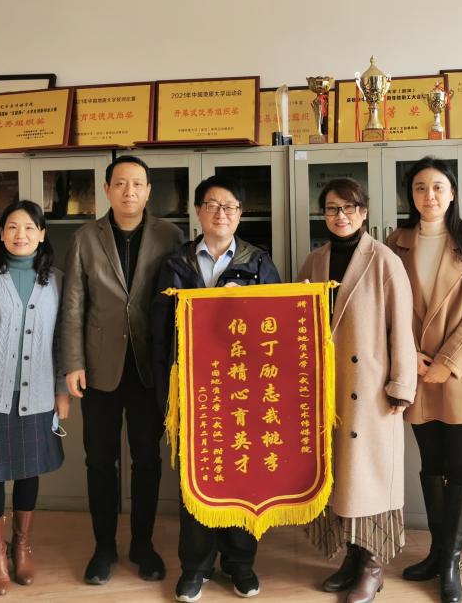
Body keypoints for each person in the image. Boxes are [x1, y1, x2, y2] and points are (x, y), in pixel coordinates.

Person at [150, 175, 282, 603]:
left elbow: (276, 328)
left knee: (243, 474)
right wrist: (166, 391)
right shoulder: (176, 264)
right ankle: (196, 566)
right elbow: (159, 332)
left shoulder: (259, 263)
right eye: (212, 205)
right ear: (198, 211)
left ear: (240, 214)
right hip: (194, 392)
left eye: (229, 207)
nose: (220, 214)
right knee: (196, 478)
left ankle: (240, 563)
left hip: (244, 390)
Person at [58, 155, 183, 585]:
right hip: (99, 367)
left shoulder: (170, 235)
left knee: (148, 459)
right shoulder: (85, 237)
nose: (129, 191)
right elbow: (73, 304)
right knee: (100, 461)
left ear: (148, 190)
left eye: (137, 184)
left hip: (151, 368)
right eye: (120, 183)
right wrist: (73, 362)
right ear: (107, 190)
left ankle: (143, 545)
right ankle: (104, 547)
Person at [384, 157, 462, 603]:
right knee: (430, 463)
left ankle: (451, 561)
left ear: (452, 193)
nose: (428, 196)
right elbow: (384, 304)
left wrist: (447, 362)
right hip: (414, 369)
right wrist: (407, 355)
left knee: (460, 463)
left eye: (437, 187)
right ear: (410, 196)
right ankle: (436, 551)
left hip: (460, 371)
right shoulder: (396, 242)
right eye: (419, 188)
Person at [301, 177, 416, 603]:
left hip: (369, 389)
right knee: (340, 478)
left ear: (363, 213)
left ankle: (372, 566)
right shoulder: (315, 260)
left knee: (369, 477)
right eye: (332, 208)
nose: (340, 216)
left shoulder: (384, 259)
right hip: (326, 387)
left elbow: (401, 327)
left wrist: (401, 385)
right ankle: (351, 557)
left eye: (349, 208)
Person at [0, 200, 70, 595]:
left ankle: (22, 547)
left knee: (27, 472)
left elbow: (61, 341)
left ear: (42, 234)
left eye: (29, 228)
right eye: (12, 227)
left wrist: (61, 391)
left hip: (37, 396)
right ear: (1, 234)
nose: (21, 235)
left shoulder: (56, 281)